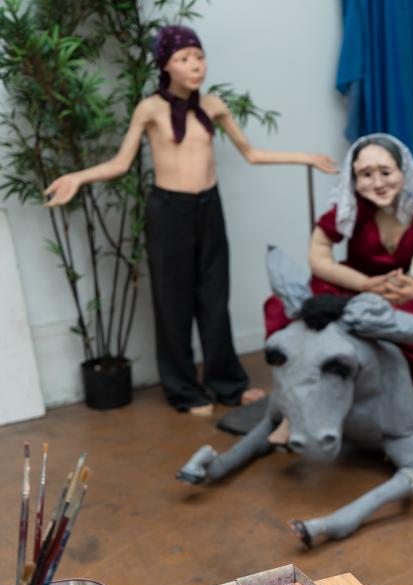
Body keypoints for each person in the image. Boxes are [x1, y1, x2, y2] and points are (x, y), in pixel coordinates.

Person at [44, 26, 338, 415]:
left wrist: (303, 157)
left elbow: (250, 153)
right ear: (165, 66)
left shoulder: (213, 105)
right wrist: (77, 178)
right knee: (173, 302)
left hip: (208, 207)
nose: (194, 65)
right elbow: (121, 163)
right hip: (169, 211)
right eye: (183, 59)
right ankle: (183, 390)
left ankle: (227, 384)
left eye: (198, 56)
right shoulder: (150, 109)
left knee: (215, 299)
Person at [264, 133, 413, 395]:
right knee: (282, 307)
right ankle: (293, 399)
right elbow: (318, 255)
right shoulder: (351, 208)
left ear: (403, 172)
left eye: (386, 172)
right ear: (354, 178)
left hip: (406, 295)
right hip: (357, 289)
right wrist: (365, 284)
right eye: (366, 174)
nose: (377, 183)